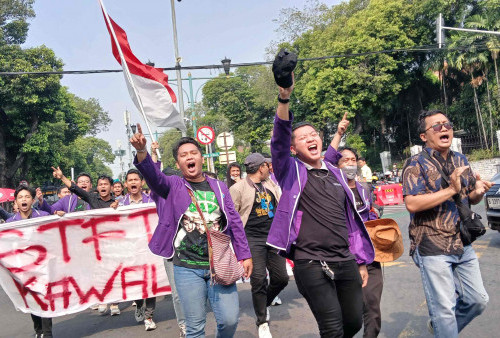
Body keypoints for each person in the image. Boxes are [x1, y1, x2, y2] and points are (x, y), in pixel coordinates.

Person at [267, 75, 374, 338]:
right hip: (311, 263)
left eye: (314, 134)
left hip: (345, 260)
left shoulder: (337, 174)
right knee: (332, 328)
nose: (310, 139)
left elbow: (350, 223)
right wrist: (284, 96)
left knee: (353, 323)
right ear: (293, 149)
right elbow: (278, 140)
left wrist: (360, 262)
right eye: (303, 138)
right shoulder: (290, 172)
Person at [130, 124, 252, 338]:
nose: (189, 157)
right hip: (186, 268)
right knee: (194, 328)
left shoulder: (219, 187)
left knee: (230, 320)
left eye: (193, 152)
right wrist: (142, 152)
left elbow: (234, 221)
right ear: (178, 163)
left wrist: (245, 254)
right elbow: (153, 178)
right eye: (183, 155)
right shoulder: (174, 185)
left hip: (219, 264)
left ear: (201, 157)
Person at [403, 110, 491, 337]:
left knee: (477, 300)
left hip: (462, 241)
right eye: (437, 126)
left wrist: (479, 192)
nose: (444, 128)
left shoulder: (460, 159)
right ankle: (444, 327)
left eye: (447, 124)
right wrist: (450, 189)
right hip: (432, 244)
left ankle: (442, 329)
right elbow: (412, 204)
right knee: (444, 310)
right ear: (424, 136)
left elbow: (469, 197)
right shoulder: (415, 164)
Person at [330, 114, 385, 338]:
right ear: (336, 165)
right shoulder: (332, 189)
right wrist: (339, 133)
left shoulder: (364, 189)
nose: (351, 163)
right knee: (349, 314)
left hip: (370, 255)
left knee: (372, 307)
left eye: (353, 160)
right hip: (344, 258)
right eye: (345, 161)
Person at [229, 153, 288, 338]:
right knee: (259, 280)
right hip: (252, 239)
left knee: (281, 278)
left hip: (274, 238)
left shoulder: (270, 183)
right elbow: (233, 217)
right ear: (260, 167)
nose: (269, 169)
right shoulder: (238, 188)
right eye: (266, 166)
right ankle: (262, 321)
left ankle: (265, 302)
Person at [51, 168, 120, 315]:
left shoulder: (118, 203)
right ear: (97, 187)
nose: (103, 187)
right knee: (100, 274)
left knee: (113, 273)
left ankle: (114, 303)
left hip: (112, 244)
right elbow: (75, 188)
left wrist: (117, 208)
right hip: (95, 245)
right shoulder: (92, 199)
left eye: (106, 184)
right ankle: (102, 300)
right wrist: (62, 176)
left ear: (111, 187)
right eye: (100, 184)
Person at [150, 141, 187, 337]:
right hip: (171, 248)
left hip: (194, 247)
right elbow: (152, 176)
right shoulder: (159, 194)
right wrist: (152, 153)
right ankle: (184, 325)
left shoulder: (189, 192)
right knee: (178, 293)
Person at [6, 185, 52, 338]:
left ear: (32, 200)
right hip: (23, 269)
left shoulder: (44, 216)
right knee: (32, 300)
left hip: (43, 266)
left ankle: (47, 333)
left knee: (44, 298)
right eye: (20, 198)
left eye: (27, 197)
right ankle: (38, 330)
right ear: (16, 202)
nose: (24, 200)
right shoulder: (10, 223)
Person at [118, 168, 157, 331]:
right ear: (126, 184)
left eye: (136, 179)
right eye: (130, 180)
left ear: (142, 183)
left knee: (152, 281)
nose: (133, 182)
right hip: (131, 250)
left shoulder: (151, 201)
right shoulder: (120, 204)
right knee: (137, 282)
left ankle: (149, 316)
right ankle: (139, 304)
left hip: (150, 249)